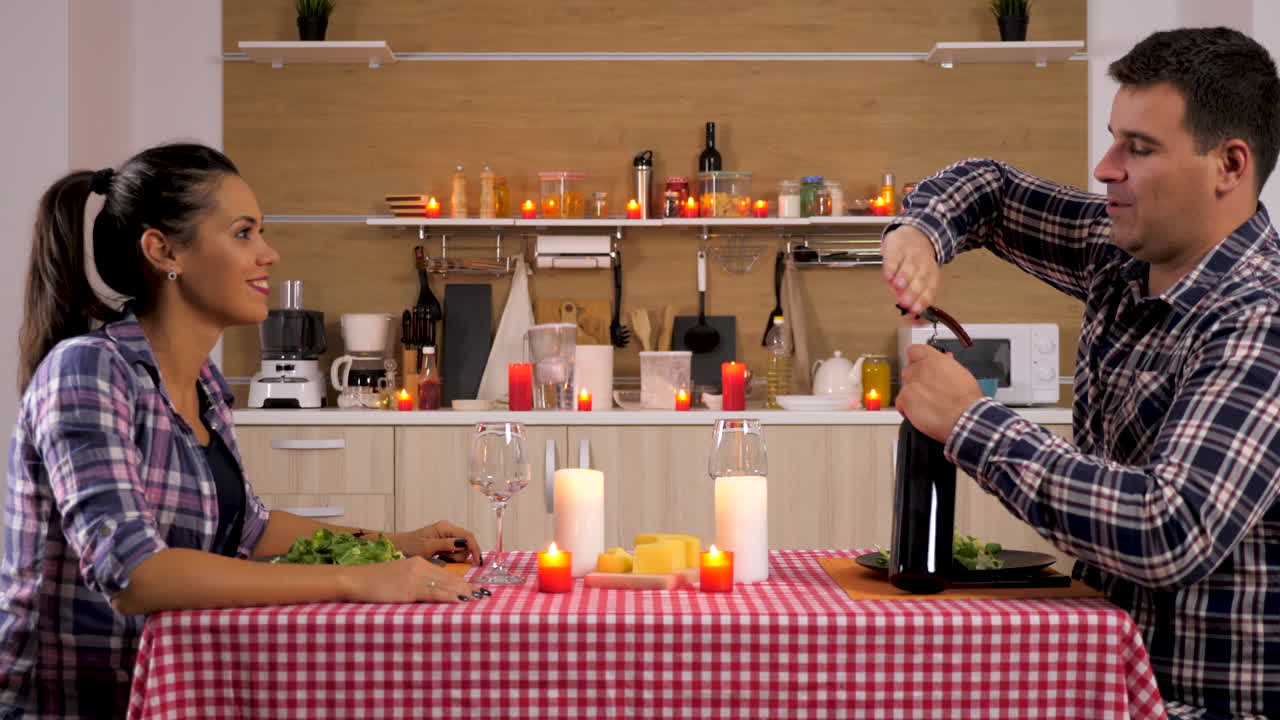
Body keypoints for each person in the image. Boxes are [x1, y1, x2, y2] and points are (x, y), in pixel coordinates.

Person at [0, 143, 488, 719]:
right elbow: (135, 574)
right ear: (163, 250)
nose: (269, 254)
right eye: (242, 234)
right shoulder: (88, 370)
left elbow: (248, 530)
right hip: (79, 704)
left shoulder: (203, 381)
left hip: (178, 690)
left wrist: (397, 542)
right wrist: (362, 578)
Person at [882, 27, 1280, 719]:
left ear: (1230, 165)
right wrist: (920, 232)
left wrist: (972, 422)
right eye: (1113, 138)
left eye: (1140, 148)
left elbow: (1166, 528)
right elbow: (993, 189)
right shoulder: (1122, 253)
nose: (1105, 167)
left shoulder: (1261, 319)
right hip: (1106, 684)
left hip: (1200, 706)